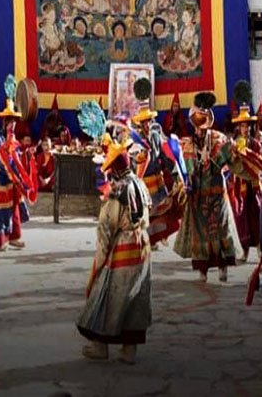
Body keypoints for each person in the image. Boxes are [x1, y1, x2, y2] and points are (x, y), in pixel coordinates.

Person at [76, 139, 152, 364]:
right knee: (136, 298)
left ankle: (100, 345)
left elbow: (106, 228)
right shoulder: (140, 183)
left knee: (107, 294)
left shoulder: (117, 191)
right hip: (142, 247)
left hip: (122, 248)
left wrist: (99, 261)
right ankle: (129, 350)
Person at [174, 92, 242, 282]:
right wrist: (184, 183)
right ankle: (203, 271)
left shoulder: (219, 140)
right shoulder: (187, 146)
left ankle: (223, 268)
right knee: (201, 235)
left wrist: (238, 153)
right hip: (198, 197)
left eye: (202, 123)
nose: (199, 129)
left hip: (217, 195)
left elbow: (234, 160)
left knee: (221, 230)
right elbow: (179, 170)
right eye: (196, 124)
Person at [130, 88, 181, 246]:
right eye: (144, 122)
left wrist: (175, 173)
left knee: (164, 207)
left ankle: (161, 235)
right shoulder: (135, 140)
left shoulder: (155, 136)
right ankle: (151, 239)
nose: (147, 124)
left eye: (148, 121)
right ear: (139, 123)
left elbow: (165, 155)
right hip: (145, 181)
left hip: (158, 179)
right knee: (148, 212)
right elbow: (133, 162)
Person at [0, 94, 36, 250]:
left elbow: (17, 157)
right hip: (0, 177)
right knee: (0, 209)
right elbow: (2, 159)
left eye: (14, 121)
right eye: (10, 121)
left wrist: (26, 156)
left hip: (12, 178)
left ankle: (13, 237)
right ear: (4, 122)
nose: (13, 124)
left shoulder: (14, 139)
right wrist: (12, 171)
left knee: (14, 208)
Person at [229, 102, 261, 262]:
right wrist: (235, 155)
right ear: (239, 127)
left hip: (254, 184)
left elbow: (260, 161)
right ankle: (245, 252)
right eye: (243, 126)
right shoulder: (235, 143)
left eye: (247, 126)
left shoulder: (255, 143)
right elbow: (231, 162)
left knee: (257, 214)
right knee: (242, 217)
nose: (245, 128)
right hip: (240, 184)